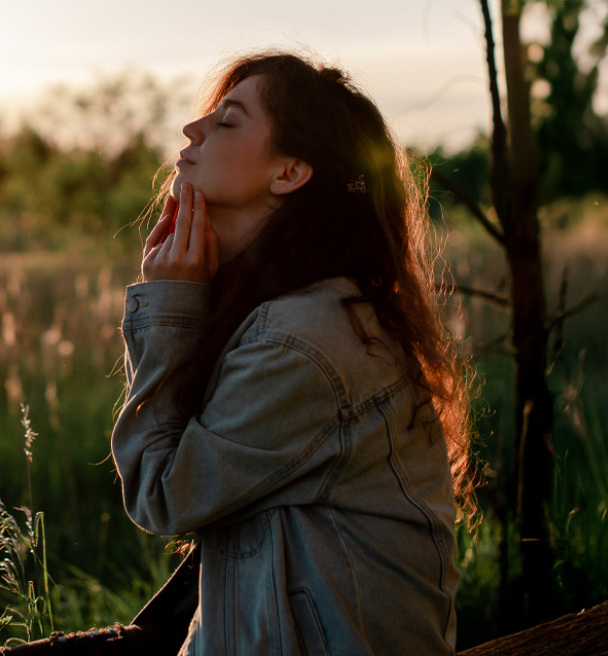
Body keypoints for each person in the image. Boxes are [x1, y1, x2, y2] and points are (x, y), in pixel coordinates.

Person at [111, 51, 475, 655]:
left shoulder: (304, 342)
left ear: (288, 173)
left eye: (227, 122)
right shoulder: (295, 315)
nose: (191, 130)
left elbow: (162, 493)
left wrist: (170, 305)